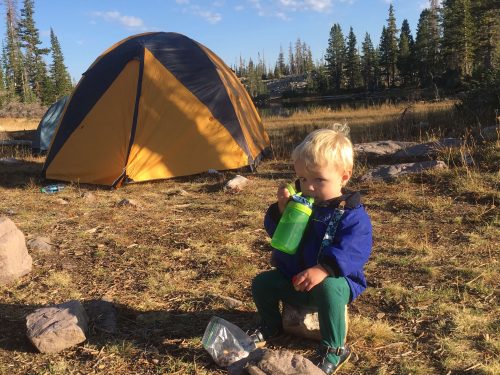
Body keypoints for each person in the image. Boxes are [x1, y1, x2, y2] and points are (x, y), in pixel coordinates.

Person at [251, 128, 372, 374]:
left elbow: (355, 249)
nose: (310, 187)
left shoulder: (352, 215)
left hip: (335, 281)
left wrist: (324, 269)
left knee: (329, 289)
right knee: (262, 283)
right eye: (303, 179)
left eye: (319, 180)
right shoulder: (302, 205)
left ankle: (334, 349)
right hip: (295, 278)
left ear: (344, 177)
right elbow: (278, 235)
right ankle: (271, 325)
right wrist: (281, 212)